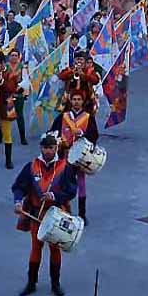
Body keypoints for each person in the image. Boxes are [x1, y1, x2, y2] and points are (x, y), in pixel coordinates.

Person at [13, 134, 79, 296]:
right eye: (45, 148)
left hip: (56, 214)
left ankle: (55, 284)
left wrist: (55, 197)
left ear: (56, 148)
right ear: (40, 148)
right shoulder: (31, 166)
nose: (48, 151)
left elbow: (72, 191)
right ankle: (31, 282)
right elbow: (18, 186)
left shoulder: (65, 167)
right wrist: (18, 201)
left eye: (51, 148)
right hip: (37, 214)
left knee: (55, 249)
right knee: (36, 248)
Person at [51, 91, 97, 223]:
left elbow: (94, 136)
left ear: (83, 102)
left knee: (81, 184)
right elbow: (52, 132)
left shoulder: (88, 117)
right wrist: (58, 140)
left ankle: (82, 214)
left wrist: (83, 134)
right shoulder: (62, 117)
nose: (76, 101)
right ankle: (66, 211)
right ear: (70, 101)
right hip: (65, 156)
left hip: (81, 157)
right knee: (63, 184)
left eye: (79, 99)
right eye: (74, 99)